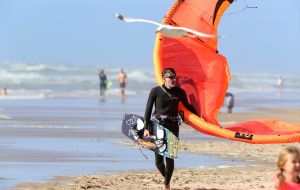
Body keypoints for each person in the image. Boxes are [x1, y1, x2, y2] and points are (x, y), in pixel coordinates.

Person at [143, 68, 197, 190]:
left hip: (173, 127)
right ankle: (166, 177)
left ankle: (167, 185)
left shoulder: (180, 92)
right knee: (158, 161)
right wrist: (146, 128)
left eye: (175, 77)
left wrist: (200, 118)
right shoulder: (155, 91)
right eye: (171, 77)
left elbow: (188, 106)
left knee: (170, 158)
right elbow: (148, 110)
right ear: (164, 78)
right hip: (158, 127)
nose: (173, 79)